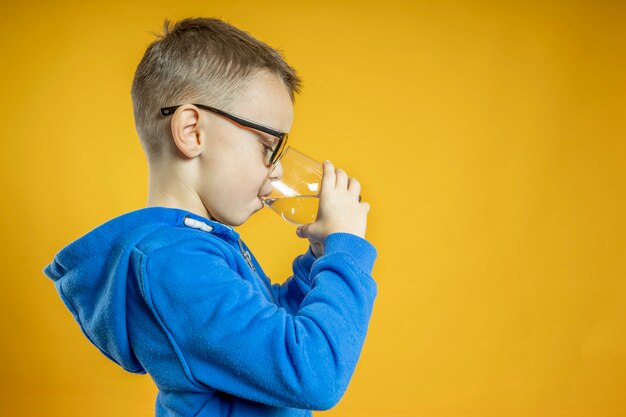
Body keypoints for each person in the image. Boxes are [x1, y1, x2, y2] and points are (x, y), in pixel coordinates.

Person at [43, 17, 377, 417]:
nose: (278, 171)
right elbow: (312, 375)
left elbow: (275, 328)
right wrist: (346, 257)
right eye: (268, 147)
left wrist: (318, 261)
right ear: (193, 132)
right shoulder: (175, 263)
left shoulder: (197, 247)